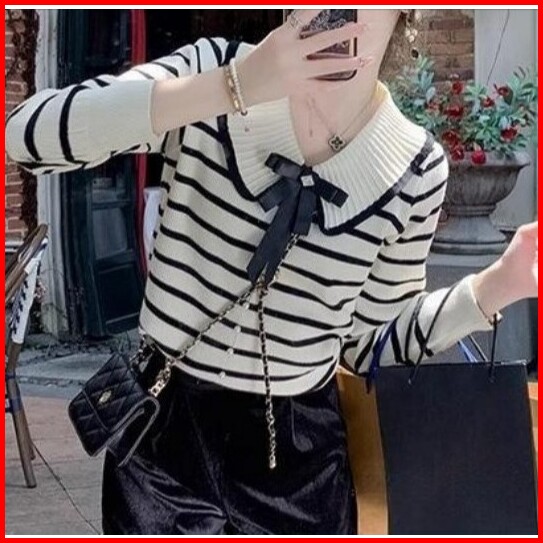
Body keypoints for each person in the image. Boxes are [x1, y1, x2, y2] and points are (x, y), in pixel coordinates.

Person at [5, 8, 538, 535]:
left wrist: (497, 285)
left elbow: (367, 344)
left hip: (301, 461)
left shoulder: (416, 168)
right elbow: (27, 136)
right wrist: (231, 86)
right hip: (164, 436)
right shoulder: (210, 69)